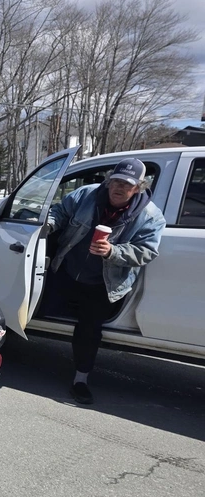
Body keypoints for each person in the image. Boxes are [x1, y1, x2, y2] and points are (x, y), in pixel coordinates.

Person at [46, 158, 166, 404]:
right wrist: (49, 223)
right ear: (109, 180)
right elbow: (60, 210)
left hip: (103, 284)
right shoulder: (86, 195)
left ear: (139, 187)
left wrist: (113, 252)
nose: (119, 188)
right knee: (30, 303)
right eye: (116, 181)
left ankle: (80, 379)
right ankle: (5, 355)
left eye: (127, 184)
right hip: (67, 270)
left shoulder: (150, 217)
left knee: (89, 331)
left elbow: (147, 252)